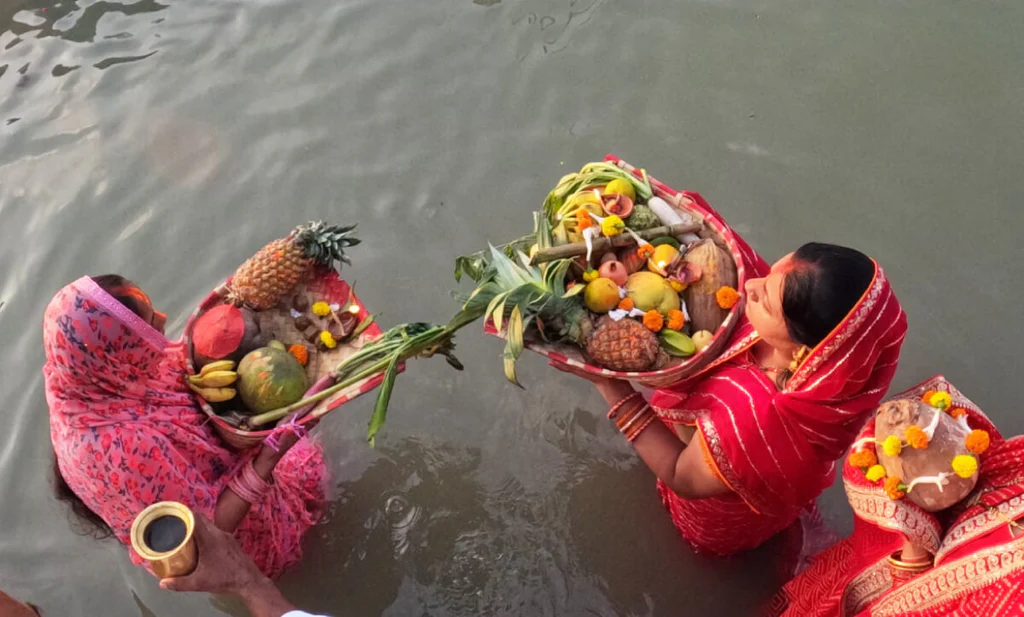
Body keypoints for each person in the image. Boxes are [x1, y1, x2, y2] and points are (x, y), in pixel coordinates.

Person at [560, 240, 907, 560]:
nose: (751, 286)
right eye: (771, 275)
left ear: (804, 349)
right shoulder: (831, 357)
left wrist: (611, 387)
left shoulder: (761, 423)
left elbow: (681, 474)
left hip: (714, 506)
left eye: (764, 300)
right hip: (752, 467)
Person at [44, 275, 327, 577]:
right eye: (149, 324)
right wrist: (270, 455)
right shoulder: (126, 449)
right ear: (122, 351)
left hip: (235, 470)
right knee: (313, 553)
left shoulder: (83, 378)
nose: (164, 320)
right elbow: (206, 536)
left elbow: (179, 364)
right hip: (235, 533)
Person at [769, 376, 1024, 617]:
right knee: (843, 574)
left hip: (906, 576)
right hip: (922, 528)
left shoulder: (1011, 598)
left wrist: (912, 547)